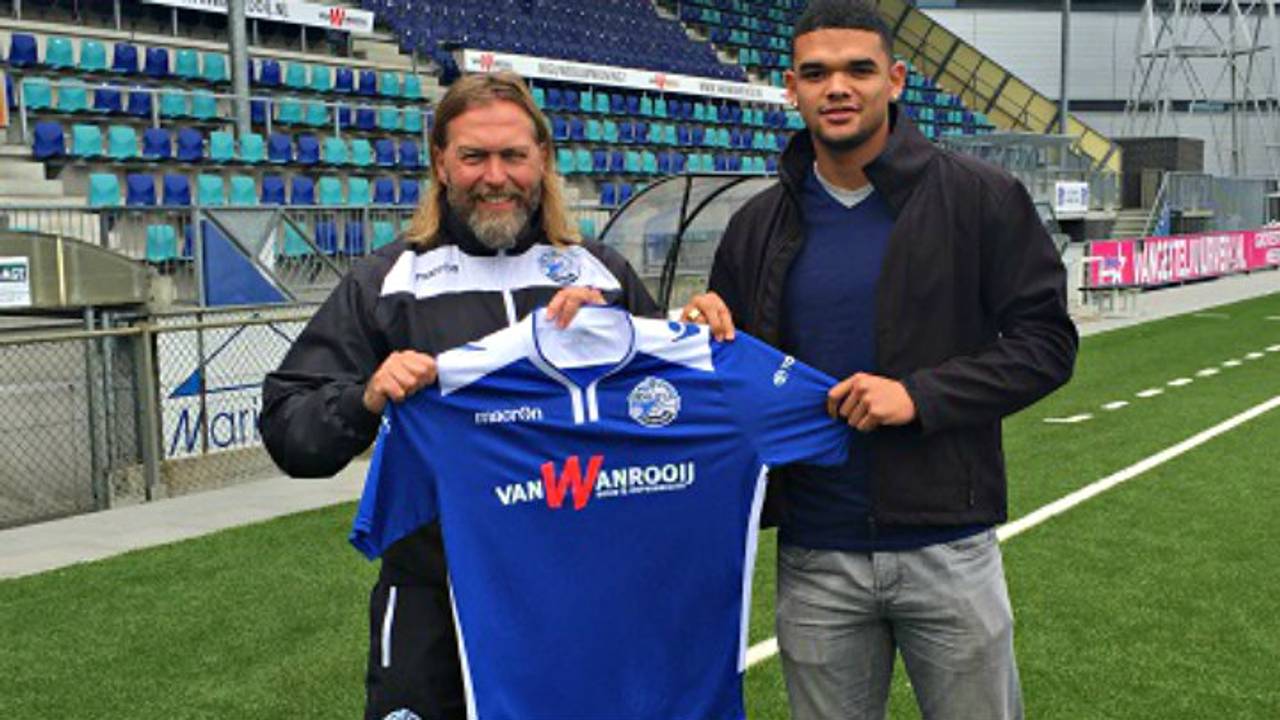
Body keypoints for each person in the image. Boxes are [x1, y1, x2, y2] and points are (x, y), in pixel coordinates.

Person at [680, 1, 1078, 718]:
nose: (838, 87)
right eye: (816, 72)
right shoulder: (756, 224)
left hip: (948, 548)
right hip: (815, 553)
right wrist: (696, 330)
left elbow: (1047, 344)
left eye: (859, 69)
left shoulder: (980, 198)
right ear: (790, 90)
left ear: (895, 80)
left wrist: (919, 396)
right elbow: (727, 369)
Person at [259, 72, 658, 720]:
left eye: (512, 156)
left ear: (544, 161)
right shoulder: (388, 282)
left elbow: (665, 412)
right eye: (474, 156)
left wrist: (665, 338)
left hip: (581, 599)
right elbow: (288, 427)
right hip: (430, 608)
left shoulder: (602, 277)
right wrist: (365, 398)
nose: (494, 175)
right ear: (441, 162)